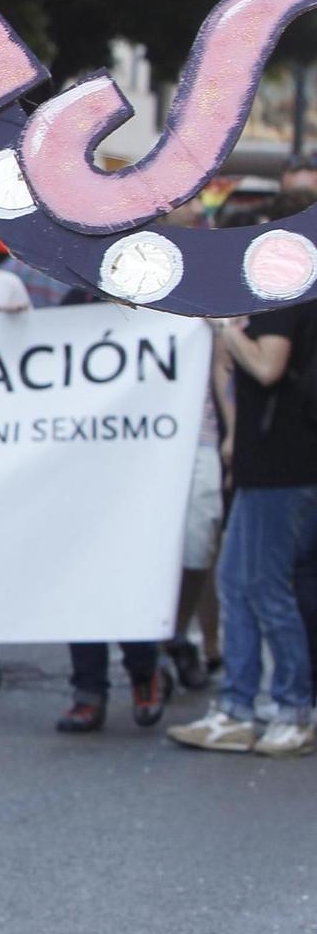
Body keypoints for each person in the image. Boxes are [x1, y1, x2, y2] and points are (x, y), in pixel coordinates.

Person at [169, 192, 317, 757]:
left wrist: (226, 328)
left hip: (283, 464)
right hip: (266, 460)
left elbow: (267, 366)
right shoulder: (281, 290)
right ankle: (237, 706)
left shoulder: (285, 294)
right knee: (236, 583)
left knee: (264, 587)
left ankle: (290, 709)